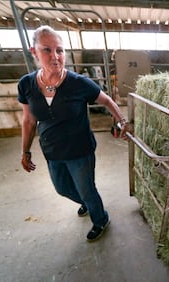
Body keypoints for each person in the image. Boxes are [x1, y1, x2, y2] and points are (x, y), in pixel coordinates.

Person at [18, 25, 130, 242]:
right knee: (62, 189)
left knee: (87, 190)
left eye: (59, 50)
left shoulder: (78, 83)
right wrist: (25, 151)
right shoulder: (26, 84)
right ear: (34, 52)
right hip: (51, 150)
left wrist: (122, 121)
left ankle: (100, 219)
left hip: (80, 151)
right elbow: (29, 120)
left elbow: (106, 100)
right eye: (47, 50)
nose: (55, 56)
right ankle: (88, 204)